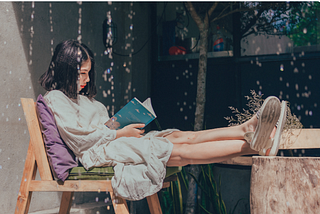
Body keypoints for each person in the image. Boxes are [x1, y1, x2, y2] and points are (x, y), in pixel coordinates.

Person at [39, 40, 286, 200]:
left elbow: (101, 128)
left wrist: (120, 125)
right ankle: (254, 145)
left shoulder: (82, 99)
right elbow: (81, 140)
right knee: (179, 150)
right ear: (65, 70)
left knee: (180, 136)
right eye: (81, 74)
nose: (85, 79)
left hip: (115, 142)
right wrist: (119, 133)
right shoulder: (56, 98)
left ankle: (247, 127)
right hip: (101, 152)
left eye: (88, 73)